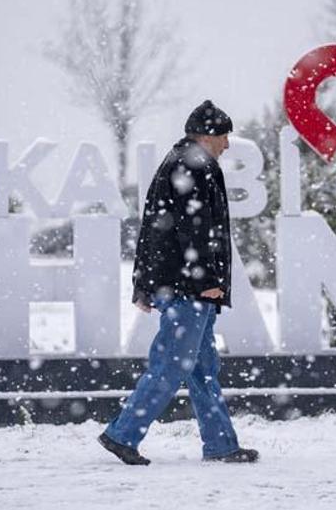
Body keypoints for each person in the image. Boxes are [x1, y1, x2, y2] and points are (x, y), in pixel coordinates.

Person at [98, 100, 259, 465]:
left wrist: (143, 283)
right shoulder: (193, 165)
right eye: (223, 136)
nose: (227, 145)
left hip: (180, 283)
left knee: (202, 369)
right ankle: (121, 434)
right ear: (206, 135)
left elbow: (153, 228)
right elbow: (193, 229)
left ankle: (221, 445)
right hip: (188, 287)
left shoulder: (181, 162)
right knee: (171, 364)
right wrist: (206, 279)